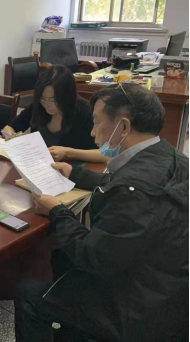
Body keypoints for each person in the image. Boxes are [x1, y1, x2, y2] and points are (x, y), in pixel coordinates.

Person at [16, 83, 189, 342]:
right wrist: (76, 173)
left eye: (97, 122)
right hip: (168, 286)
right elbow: (129, 185)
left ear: (124, 127)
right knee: (61, 258)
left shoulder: (133, 191)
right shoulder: (170, 156)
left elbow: (92, 256)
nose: (93, 131)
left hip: (137, 309)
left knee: (29, 293)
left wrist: (57, 212)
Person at [3, 65, 108, 163]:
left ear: (67, 95)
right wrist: (14, 140)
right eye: (43, 99)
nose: (46, 104)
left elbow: (106, 154)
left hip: (75, 171)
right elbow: (8, 128)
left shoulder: (86, 111)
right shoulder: (38, 106)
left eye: (52, 100)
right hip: (40, 167)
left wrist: (68, 153)